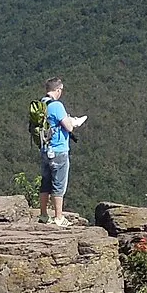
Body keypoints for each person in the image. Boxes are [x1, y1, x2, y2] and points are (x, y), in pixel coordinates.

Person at [38, 77, 87, 227]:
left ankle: (44, 215)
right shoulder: (57, 105)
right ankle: (59, 218)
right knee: (58, 184)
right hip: (58, 150)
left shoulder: (41, 103)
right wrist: (74, 121)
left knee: (45, 183)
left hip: (45, 149)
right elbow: (68, 127)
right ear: (58, 89)